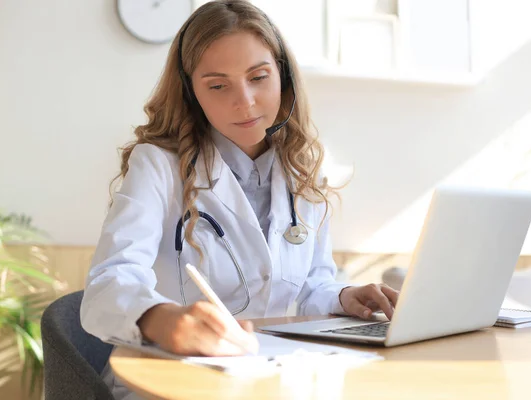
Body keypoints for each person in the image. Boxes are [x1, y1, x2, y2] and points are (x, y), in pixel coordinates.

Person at [80, 1, 399, 398]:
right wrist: (166, 321)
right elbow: (107, 287)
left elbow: (309, 286)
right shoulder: (159, 166)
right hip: (174, 384)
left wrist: (342, 297)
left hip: (268, 377)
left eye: (259, 77)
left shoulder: (304, 169)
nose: (244, 101)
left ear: (282, 77)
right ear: (191, 92)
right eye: (218, 85)